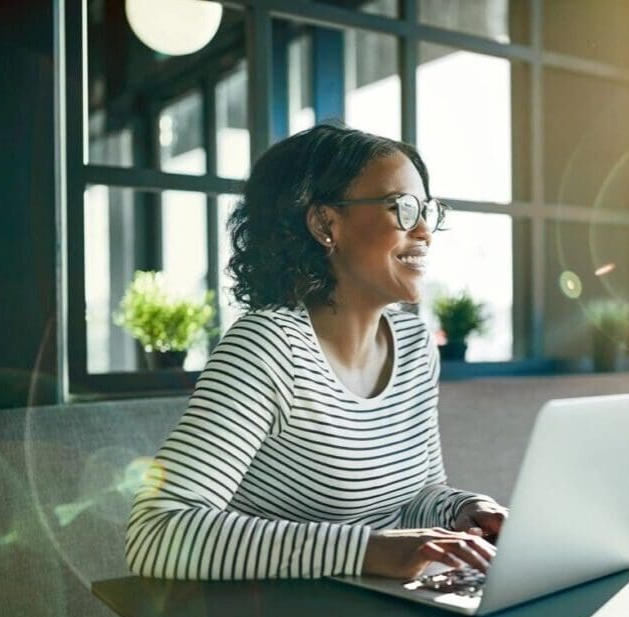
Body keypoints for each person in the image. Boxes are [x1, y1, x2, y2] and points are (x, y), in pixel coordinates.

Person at [126, 124, 507, 581]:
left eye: (427, 209)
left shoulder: (414, 344)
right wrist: (368, 551)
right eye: (402, 208)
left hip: (377, 613)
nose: (424, 230)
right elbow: (156, 531)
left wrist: (463, 510)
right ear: (326, 224)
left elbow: (415, 495)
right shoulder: (266, 347)